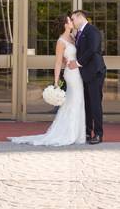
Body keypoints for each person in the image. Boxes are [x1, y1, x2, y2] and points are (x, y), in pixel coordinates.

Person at [9, 15, 86, 146]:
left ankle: (78, 134)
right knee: (74, 101)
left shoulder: (73, 37)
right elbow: (57, 62)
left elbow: (71, 56)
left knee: (77, 102)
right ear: (65, 25)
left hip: (77, 72)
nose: (72, 22)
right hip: (71, 75)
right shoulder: (61, 41)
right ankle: (69, 134)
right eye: (69, 20)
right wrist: (56, 82)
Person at [68, 10, 106, 144]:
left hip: (95, 72)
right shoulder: (79, 33)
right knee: (88, 104)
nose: (72, 22)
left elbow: (93, 49)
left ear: (80, 17)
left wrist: (77, 63)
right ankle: (88, 132)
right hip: (85, 74)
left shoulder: (92, 30)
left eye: (73, 19)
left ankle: (98, 134)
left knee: (95, 104)